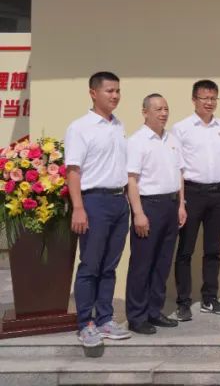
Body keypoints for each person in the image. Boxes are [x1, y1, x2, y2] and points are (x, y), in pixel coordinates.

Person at [65, 71, 132, 355]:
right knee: (90, 265)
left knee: (109, 266)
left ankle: (105, 319)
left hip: (119, 201)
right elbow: (73, 170)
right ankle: (86, 324)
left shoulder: (118, 125)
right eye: (109, 91)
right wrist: (78, 207)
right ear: (93, 93)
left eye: (117, 90)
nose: (115, 96)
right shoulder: (80, 127)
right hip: (94, 202)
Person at [173, 80, 220, 320]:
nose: (209, 103)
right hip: (192, 193)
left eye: (213, 98)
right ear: (194, 100)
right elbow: (178, 167)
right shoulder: (181, 128)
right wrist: (181, 201)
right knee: (185, 250)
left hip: (218, 194)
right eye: (204, 98)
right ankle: (183, 302)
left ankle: (210, 298)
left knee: (213, 250)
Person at [124, 94, 186, 335]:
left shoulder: (172, 139)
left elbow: (179, 174)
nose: (163, 113)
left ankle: (154, 310)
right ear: (145, 112)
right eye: (158, 109)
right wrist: (138, 213)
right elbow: (131, 179)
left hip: (171, 205)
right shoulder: (137, 141)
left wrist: (181, 205)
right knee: (142, 264)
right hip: (148, 206)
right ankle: (137, 316)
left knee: (162, 262)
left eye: (166, 109)